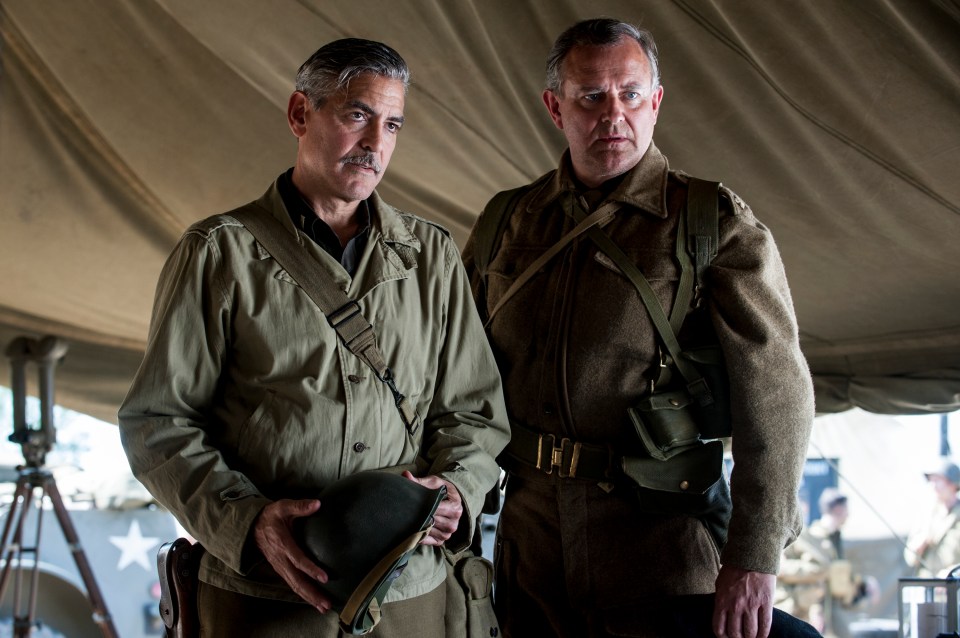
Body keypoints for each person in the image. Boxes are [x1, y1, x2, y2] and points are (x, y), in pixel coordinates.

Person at [119, 38, 510, 637]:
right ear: (301, 114)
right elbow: (157, 421)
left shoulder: (431, 256)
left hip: (412, 591)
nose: (376, 143)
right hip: (268, 594)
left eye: (393, 124)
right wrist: (246, 523)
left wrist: (458, 486)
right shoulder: (219, 253)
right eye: (357, 115)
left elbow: (473, 411)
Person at [463, 18, 817, 638]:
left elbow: (778, 395)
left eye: (630, 94)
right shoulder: (508, 222)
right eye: (591, 96)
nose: (613, 115)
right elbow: (453, 373)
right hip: (530, 548)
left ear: (655, 102)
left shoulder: (709, 221)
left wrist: (754, 555)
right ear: (555, 107)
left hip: (660, 547)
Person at [776, 489, 879, 637]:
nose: (848, 514)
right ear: (838, 508)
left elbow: (835, 580)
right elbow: (785, 568)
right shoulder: (809, 537)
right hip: (800, 610)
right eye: (846, 509)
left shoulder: (835, 540)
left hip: (829, 612)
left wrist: (863, 585)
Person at [904, 459, 960, 578]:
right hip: (927, 584)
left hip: (954, 587)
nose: (933, 486)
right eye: (931, 481)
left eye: (938, 480)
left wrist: (952, 573)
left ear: (953, 484)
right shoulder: (926, 515)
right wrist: (920, 544)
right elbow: (909, 557)